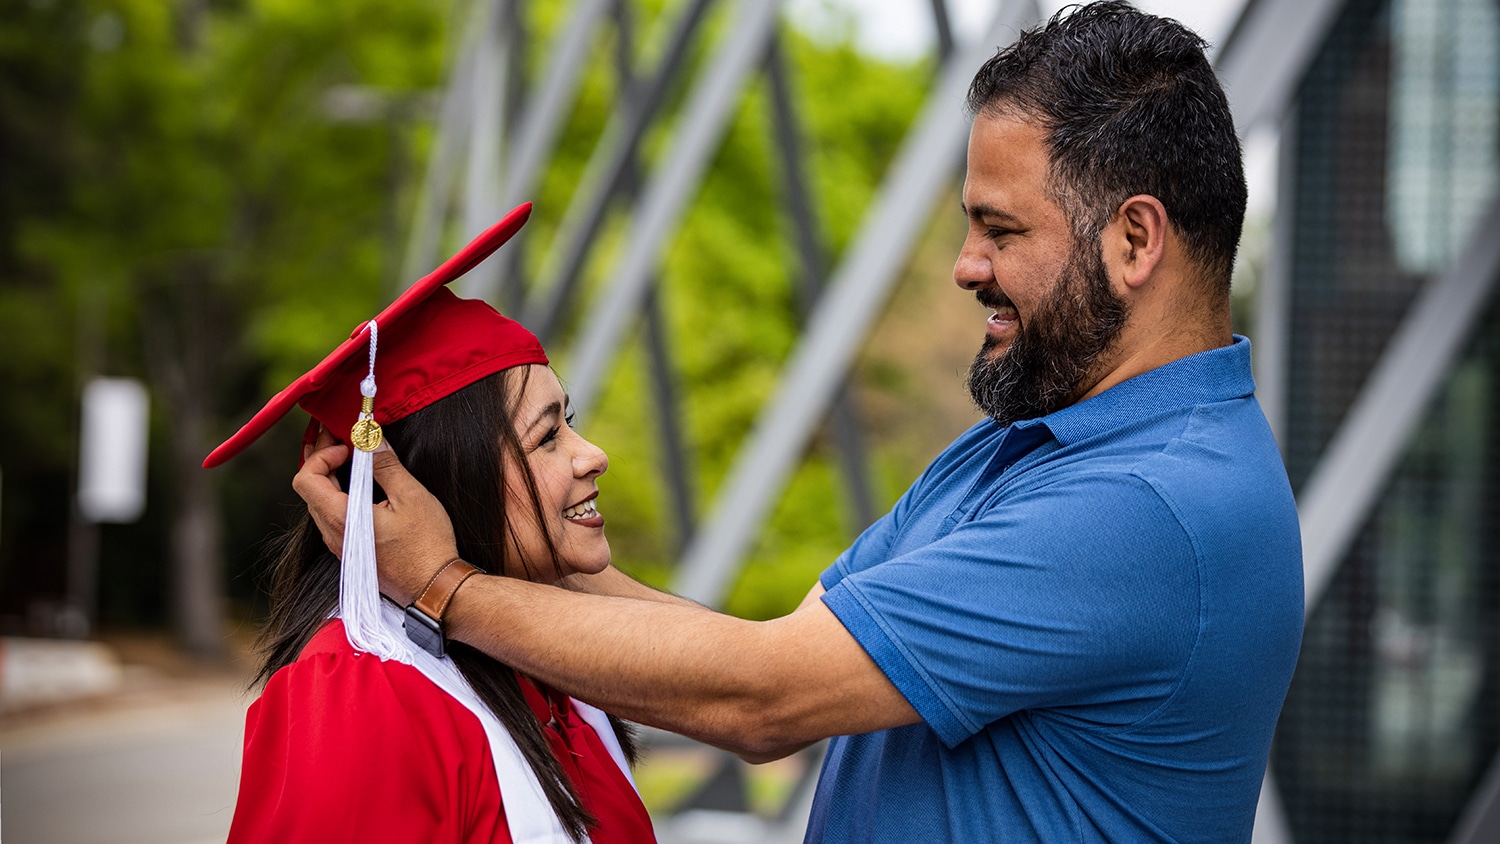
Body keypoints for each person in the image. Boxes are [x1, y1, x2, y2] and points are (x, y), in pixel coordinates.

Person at [296, 4, 1304, 842]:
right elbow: (764, 649)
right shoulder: (1024, 444)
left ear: (1135, 239)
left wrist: (440, 582)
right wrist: (516, 540)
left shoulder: (1146, 507)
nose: (965, 264)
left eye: (1000, 229)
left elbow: (761, 700)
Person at [205, 205, 656, 843]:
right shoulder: (365, 702)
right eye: (549, 435)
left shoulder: (537, 663)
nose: (593, 454)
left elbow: (748, 680)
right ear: (436, 486)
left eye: (570, 422)